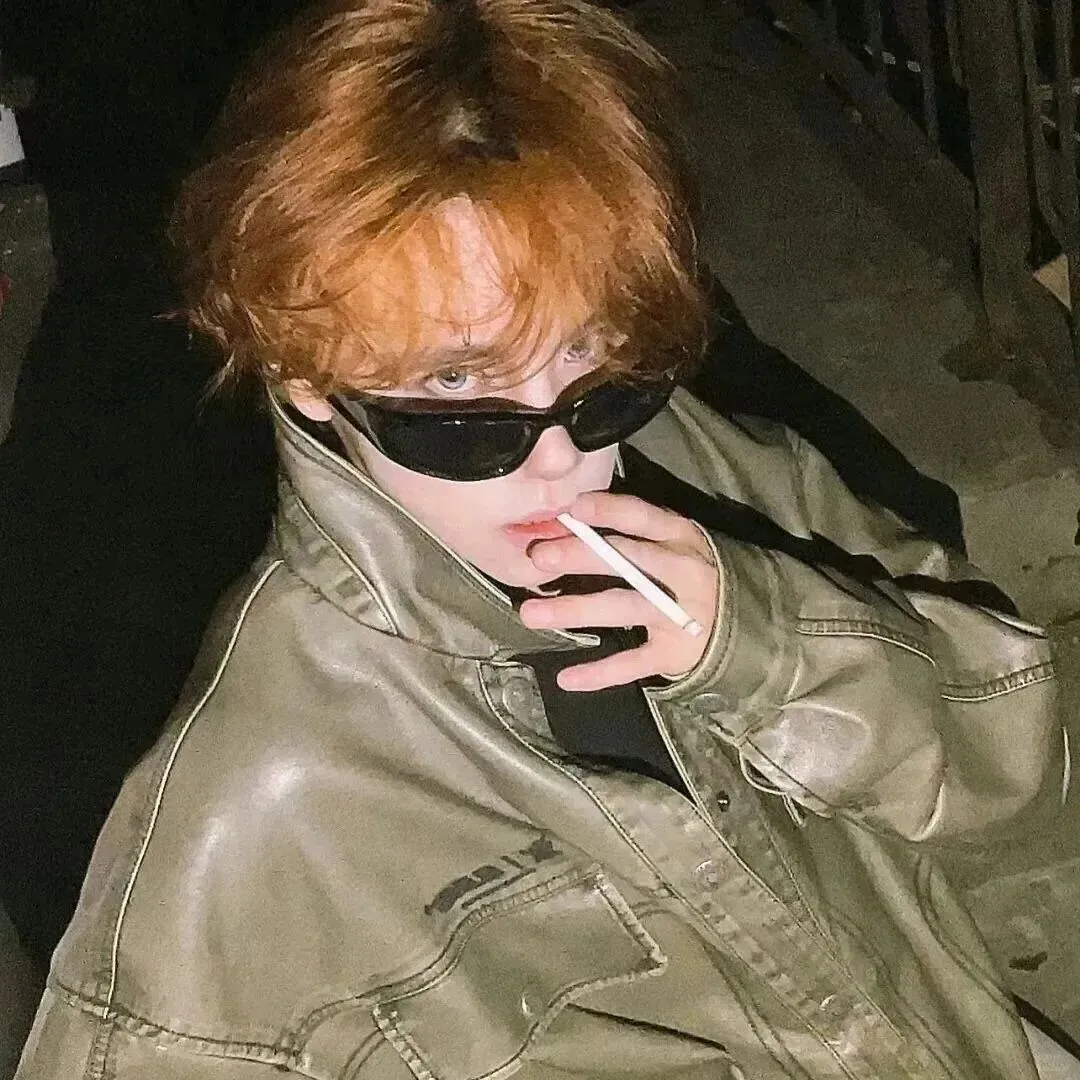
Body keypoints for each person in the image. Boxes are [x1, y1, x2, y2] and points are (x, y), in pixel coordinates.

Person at [15, 0, 1069, 1077]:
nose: (561, 454)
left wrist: (769, 644)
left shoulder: (704, 465)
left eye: (594, 362)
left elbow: (1019, 756)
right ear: (305, 370)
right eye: (457, 391)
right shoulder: (253, 808)